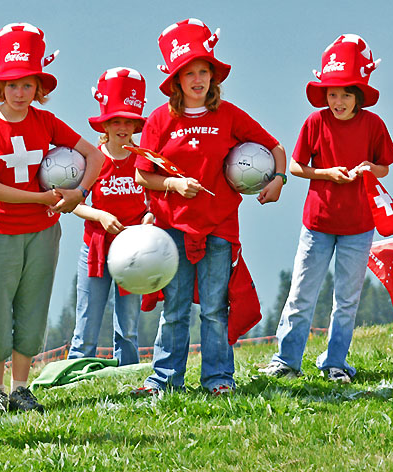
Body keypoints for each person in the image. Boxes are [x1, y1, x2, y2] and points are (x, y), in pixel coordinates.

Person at [131, 18, 287, 397]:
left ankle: (219, 378)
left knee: (215, 308)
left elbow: (276, 148)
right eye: (189, 73)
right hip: (172, 229)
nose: (198, 79)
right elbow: (142, 176)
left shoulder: (229, 115)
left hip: (219, 228)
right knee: (176, 307)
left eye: (204, 71)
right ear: (176, 80)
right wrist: (173, 184)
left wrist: (279, 180)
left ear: (213, 77)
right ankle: (164, 379)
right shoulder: (159, 120)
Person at [0, 23, 104, 416]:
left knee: (33, 309)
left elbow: (96, 156)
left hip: (43, 232)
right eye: (12, 85)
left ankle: (20, 388)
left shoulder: (46, 123)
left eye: (27, 85)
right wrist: (45, 197)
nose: (19, 93)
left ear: (39, 88)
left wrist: (78, 194)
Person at [260, 34, 393, 383]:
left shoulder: (374, 125)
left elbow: (384, 166)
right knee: (302, 293)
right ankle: (286, 360)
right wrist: (325, 174)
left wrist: (369, 168)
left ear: (359, 95)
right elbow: (294, 166)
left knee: (347, 299)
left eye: (345, 94)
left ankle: (335, 362)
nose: (338, 101)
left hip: (359, 224)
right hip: (317, 223)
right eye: (332, 93)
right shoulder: (314, 123)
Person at [67, 67, 153, 366]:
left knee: (128, 325)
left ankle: (127, 371)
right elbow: (73, 203)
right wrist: (100, 216)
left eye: (129, 121)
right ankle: (77, 371)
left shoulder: (144, 159)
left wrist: (149, 218)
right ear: (105, 125)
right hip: (95, 248)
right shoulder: (93, 158)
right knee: (87, 319)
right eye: (116, 121)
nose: (123, 127)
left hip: (133, 253)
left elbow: (154, 201)